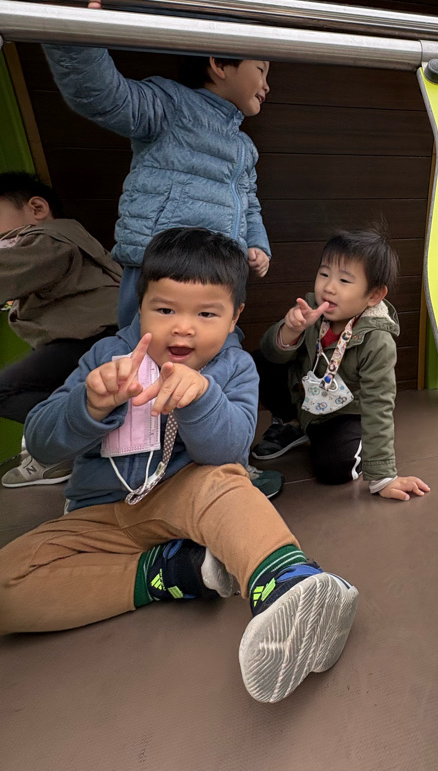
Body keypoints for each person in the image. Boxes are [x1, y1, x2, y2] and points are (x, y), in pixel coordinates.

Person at [0, 227, 358, 703]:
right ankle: (173, 572)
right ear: (140, 305)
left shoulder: (234, 368)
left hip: (184, 499)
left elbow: (228, 450)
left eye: (206, 313)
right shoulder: (105, 356)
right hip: (96, 515)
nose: (182, 328)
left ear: (235, 316)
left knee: (224, 482)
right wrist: (87, 405)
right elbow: (43, 443)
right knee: (6, 583)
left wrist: (202, 399)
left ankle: (288, 581)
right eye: (165, 310)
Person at [31, 0, 272, 329]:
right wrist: (72, 30)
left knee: (211, 353)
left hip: (218, 273)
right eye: (261, 69)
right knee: (141, 349)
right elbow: (104, 97)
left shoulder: (243, 145)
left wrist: (257, 244)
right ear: (219, 65)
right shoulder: (170, 105)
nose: (267, 85)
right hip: (157, 266)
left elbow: (249, 201)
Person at [253, 228, 430, 501]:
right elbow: (270, 354)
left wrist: (382, 476)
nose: (329, 287)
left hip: (341, 412)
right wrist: (291, 330)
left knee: (334, 468)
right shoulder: (310, 309)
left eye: (344, 280)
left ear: (373, 295)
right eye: (324, 274)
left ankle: (352, 443)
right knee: (256, 362)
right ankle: (291, 424)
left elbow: (378, 403)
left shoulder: (377, 341)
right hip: (302, 397)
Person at [0, 171, 121, 488]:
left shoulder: (49, 238)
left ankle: (88, 440)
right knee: (58, 389)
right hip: (88, 336)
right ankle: (71, 443)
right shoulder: (60, 240)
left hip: (93, 336)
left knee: (6, 389)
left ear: (37, 208)